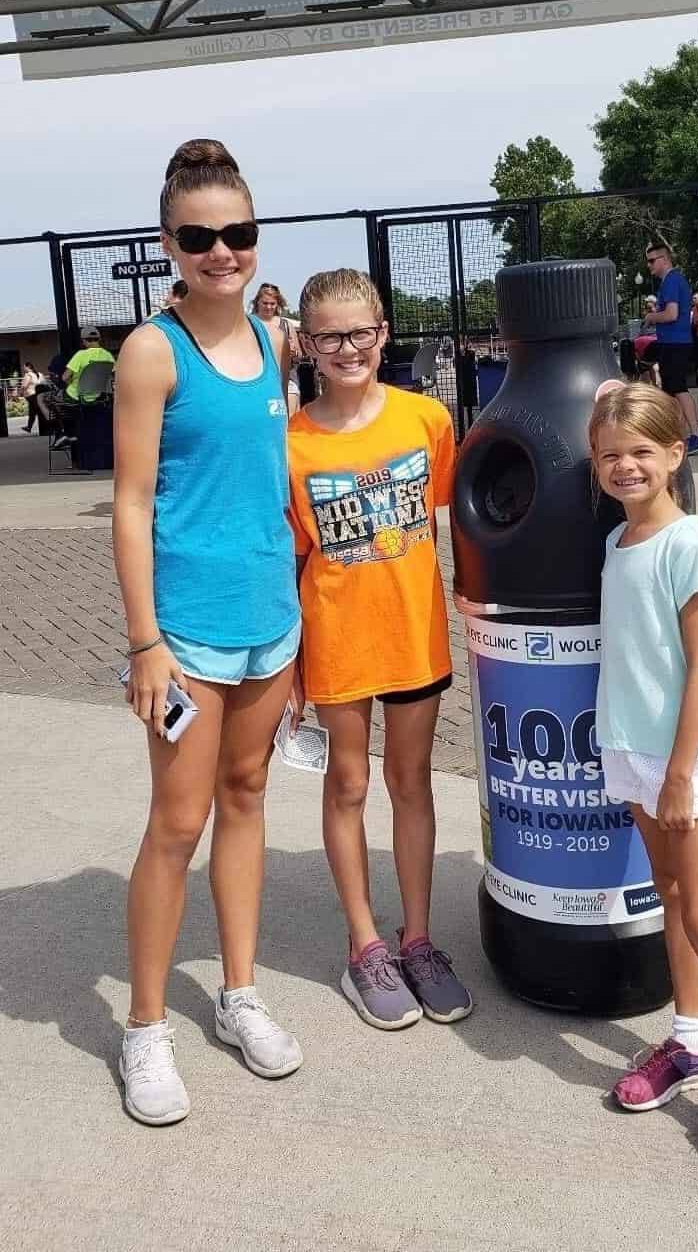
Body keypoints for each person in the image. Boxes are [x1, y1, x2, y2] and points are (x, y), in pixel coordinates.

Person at [112, 138, 303, 1126]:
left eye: (237, 233)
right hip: (186, 635)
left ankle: (238, 995)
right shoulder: (154, 350)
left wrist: (300, 618)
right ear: (169, 243)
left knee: (246, 796)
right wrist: (146, 641)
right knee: (175, 825)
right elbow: (133, 501)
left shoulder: (276, 343)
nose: (221, 251)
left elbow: (272, 486)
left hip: (272, 623)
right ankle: (146, 1028)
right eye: (200, 237)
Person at [589, 381, 698, 1192]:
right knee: (668, 896)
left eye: (641, 453)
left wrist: (680, 772)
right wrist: (616, 395)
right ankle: (688, 1039)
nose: (625, 466)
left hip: (680, 760)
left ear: (675, 456)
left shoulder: (687, 545)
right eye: (609, 454)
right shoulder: (618, 542)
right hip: (629, 748)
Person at [287, 267, 472, 1032]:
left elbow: (453, 519)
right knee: (347, 788)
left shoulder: (426, 419)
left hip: (413, 635)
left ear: (384, 333)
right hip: (334, 641)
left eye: (361, 332)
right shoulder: (291, 443)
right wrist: (291, 663)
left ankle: (418, 938)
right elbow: (290, 555)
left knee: (411, 782)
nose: (348, 348)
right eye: (330, 335)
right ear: (307, 344)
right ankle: (365, 941)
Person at [643, 244, 698, 453]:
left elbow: (671, 314)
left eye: (652, 260)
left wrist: (652, 317)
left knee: (677, 388)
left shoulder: (671, 281)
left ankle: (695, 434)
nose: (649, 265)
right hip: (676, 342)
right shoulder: (674, 281)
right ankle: (675, 435)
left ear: (664, 259)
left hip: (674, 343)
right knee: (671, 391)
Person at [52, 326, 116, 450]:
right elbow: (112, 376)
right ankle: (72, 431)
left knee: (44, 398)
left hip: (75, 396)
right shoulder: (108, 355)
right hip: (97, 397)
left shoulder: (80, 355)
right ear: (99, 339)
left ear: (84, 340)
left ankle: (62, 432)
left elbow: (65, 377)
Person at [252, 282, 300, 412]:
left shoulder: (286, 325)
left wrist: (292, 352)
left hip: (287, 379)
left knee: (285, 417)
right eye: (265, 303)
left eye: (272, 304)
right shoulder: (248, 323)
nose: (269, 307)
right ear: (257, 302)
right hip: (256, 379)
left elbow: (299, 356)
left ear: (277, 304)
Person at [20, 361, 43, 433]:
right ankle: (29, 427)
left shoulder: (28, 375)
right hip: (38, 395)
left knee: (38, 411)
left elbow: (25, 385)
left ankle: (51, 427)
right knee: (32, 411)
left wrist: (21, 392)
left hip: (31, 395)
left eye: (24, 367)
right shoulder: (38, 374)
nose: (23, 368)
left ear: (28, 367)